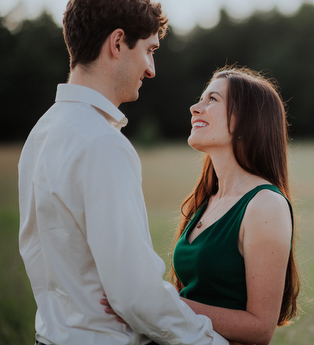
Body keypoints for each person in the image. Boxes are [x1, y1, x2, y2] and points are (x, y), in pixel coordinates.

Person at [18, 0, 228, 345]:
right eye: (149, 50)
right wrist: (211, 342)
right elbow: (137, 296)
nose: (151, 69)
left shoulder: (43, 132)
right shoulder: (102, 143)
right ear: (117, 43)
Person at [103, 66, 301, 344]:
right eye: (201, 98)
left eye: (213, 100)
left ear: (247, 119)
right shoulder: (207, 199)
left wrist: (156, 305)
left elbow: (259, 329)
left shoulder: (265, 205)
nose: (195, 107)